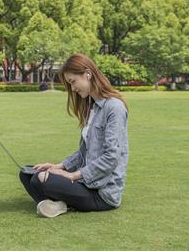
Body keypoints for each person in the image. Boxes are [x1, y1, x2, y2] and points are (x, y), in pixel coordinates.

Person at [19, 53, 129, 218]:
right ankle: (62, 205)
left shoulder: (114, 108)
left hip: (102, 193)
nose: (72, 88)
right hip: (85, 183)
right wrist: (59, 166)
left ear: (88, 74)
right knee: (28, 174)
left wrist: (72, 175)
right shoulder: (90, 108)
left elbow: (111, 157)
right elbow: (84, 152)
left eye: (72, 82)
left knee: (40, 179)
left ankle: (62, 203)